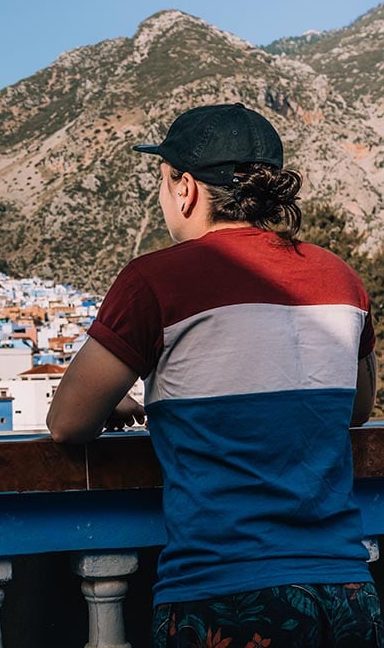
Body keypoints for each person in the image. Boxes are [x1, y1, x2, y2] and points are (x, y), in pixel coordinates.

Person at [46, 103, 382, 647]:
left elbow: (66, 423)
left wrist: (129, 404)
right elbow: (356, 407)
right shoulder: (341, 278)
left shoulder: (154, 281)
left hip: (223, 595)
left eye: (163, 180)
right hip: (345, 593)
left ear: (186, 189)